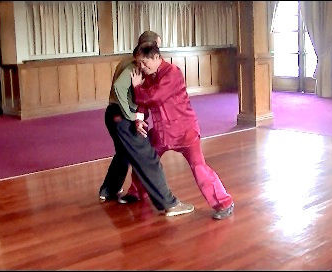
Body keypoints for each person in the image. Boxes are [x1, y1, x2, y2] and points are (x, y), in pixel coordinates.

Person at [129, 41, 235, 220]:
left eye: (144, 62)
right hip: (162, 132)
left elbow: (154, 97)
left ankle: (224, 203)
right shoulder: (148, 77)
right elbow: (143, 104)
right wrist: (139, 120)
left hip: (185, 131)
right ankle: (137, 192)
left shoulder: (172, 73)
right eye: (139, 63)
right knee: (145, 160)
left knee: (199, 167)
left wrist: (136, 88)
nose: (142, 67)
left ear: (156, 57)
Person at [98, 32, 194, 217]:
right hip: (122, 116)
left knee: (124, 153)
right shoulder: (136, 65)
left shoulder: (127, 61)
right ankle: (170, 204)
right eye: (156, 47)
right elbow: (120, 88)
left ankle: (108, 190)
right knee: (148, 158)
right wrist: (133, 116)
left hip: (112, 114)